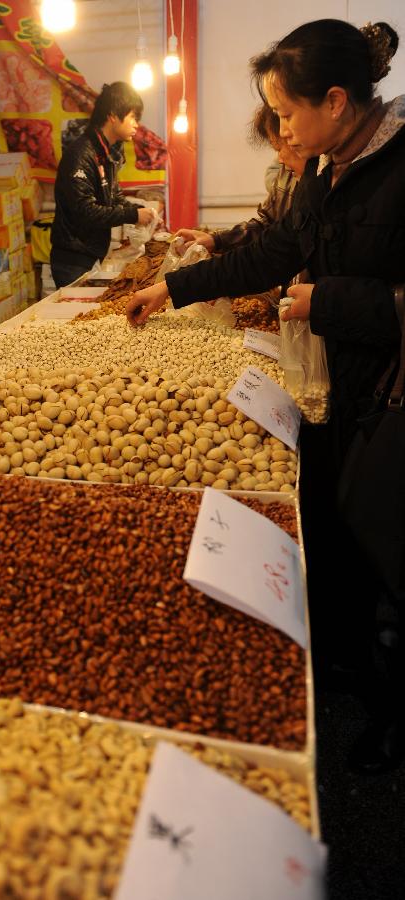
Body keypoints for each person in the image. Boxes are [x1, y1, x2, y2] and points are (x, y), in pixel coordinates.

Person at [126, 20, 405, 773]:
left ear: (338, 102)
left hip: (390, 398)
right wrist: (173, 288)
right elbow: (276, 250)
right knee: (338, 528)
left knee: (379, 529)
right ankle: (344, 666)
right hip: (331, 388)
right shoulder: (324, 166)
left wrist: (329, 301)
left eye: (285, 114)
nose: (279, 130)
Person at [50, 81, 156, 288]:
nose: (136, 124)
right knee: (76, 318)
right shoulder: (81, 154)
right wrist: (133, 216)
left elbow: (114, 198)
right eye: (133, 117)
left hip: (91, 255)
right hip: (72, 259)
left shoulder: (109, 153)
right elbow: (85, 211)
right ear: (113, 115)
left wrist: (141, 212)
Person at [175, 103, 305, 257]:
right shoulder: (285, 174)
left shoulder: (324, 183)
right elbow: (267, 224)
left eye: (279, 148)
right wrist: (216, 240)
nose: (280, 159)